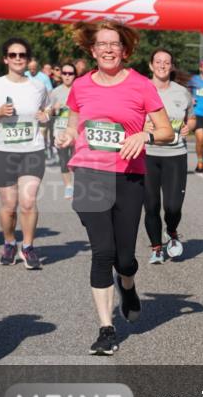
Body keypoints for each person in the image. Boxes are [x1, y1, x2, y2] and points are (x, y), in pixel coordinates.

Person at [55, 21, 173, 355]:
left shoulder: (141, 86)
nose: (108, 49)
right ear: (92, 51)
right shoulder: (80, 86)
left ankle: (129, 285)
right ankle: (107, 328)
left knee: (125, 258)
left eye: (115, 44)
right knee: (102, 252)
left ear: (125, 50)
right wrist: (66, 135)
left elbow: (167, 131)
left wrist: (144, 135)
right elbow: (74, 125)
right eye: (102, 44)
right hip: (90, 175)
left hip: (129, 177)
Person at [0, 38, 50, 269]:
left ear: (28, 59)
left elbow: (48, 106)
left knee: (28, 202)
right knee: (9, 205)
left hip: (32, 150)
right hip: (3, 151)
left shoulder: (38, 86)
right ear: (5, 59)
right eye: (13, 55)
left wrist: (46, 116)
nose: (18, 59)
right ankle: (9, 242)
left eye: (22, 55)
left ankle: (28, 247)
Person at [143, 49, 196, 264]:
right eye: (158, 61)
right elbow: (128, 117)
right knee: (152, 205)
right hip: (148, 154)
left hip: (175, 154)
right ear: (151, 65)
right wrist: (140, 125)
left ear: (171, 66)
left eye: (166, 62)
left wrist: (188, 127)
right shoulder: (141, 89)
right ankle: (156, 248)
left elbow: (191, 118)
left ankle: (171, 231)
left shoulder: (182, 92)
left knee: (173, 206)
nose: (162, 65)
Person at [48, 62, 77, 199]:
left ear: (75, 75)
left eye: (70, 73)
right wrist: (54, 109)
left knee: (77, 159)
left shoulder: (79, 89)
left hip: (76, 131)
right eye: (64, 73)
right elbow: (48, 113)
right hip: (60, 131)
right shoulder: (55, 92)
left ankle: (79, 183)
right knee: (64, 160)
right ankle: (68, 186)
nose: (67, 76)